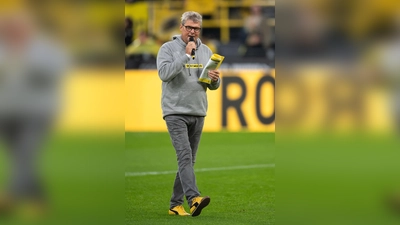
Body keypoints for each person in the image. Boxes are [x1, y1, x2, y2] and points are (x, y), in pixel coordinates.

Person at [156, 11, 220, 217]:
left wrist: (215, 79)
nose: (193, 32)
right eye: (189, 27)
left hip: (198, 110)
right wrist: (185, 55)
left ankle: (175, 205)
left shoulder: (207, 51)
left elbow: (211, 86)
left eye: (197, 28)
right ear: (181, 27)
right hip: (175, 111)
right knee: (184, 157)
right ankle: (194, 199)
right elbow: (164, 74)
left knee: (188, 162)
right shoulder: (167, 49)